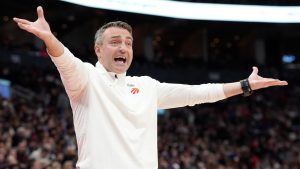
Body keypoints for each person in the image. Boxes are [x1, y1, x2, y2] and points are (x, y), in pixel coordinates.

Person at [13, 6, 288, 169]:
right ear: (98, 49)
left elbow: (198, 93)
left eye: (129, 42)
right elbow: (66, 62)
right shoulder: (85, 79)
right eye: (115, 41)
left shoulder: (146, 86)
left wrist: (244, 85)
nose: (124, 47)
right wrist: (49, 39)